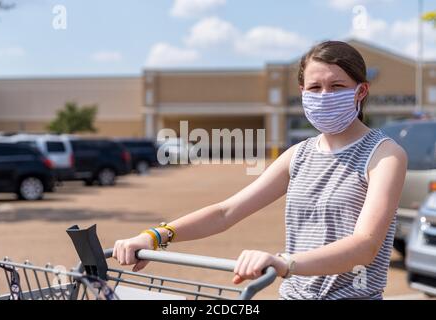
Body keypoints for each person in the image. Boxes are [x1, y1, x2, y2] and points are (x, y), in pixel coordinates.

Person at [113, 41, 407, 300]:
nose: (324, 95)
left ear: (361, 90)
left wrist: (285, 263)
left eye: (337, 86)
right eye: (315, 88)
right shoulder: (299, 155)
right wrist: (155, 235)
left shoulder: (384, 155)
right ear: (302, 92)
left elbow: (364, 245)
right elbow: (226, 212)